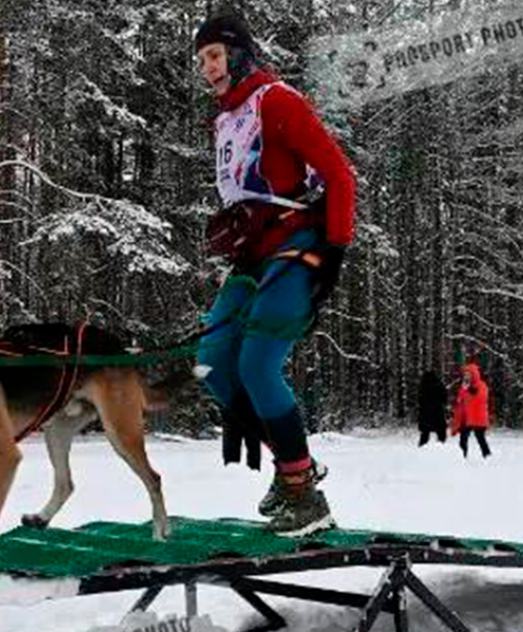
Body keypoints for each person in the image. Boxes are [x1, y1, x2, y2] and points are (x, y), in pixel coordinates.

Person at [194, 13, 356, 536]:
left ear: (239, 53)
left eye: (214, 55)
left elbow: (337, 174)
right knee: (214, 365)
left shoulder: (277, 100)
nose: (207, 69)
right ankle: (293, 468)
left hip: (298, 244)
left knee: (259, 364)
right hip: (253, 255)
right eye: (200, 61)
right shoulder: (224, 118)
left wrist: (334, 250)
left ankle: (303, 493)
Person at [452, 363, 492, 458]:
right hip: (466, 418)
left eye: (469, 374)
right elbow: (460, 400)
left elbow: (482, 398)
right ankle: (462, 457)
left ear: (474, 374)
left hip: (477, 418)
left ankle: (487, 457)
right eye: (465, 374)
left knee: (480, 439)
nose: (467, 376)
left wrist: (470, 390)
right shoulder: (463, 386)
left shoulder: (481, 385)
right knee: (463, 439)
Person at [417, 370, 448, 446]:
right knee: (441, 432)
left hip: (425, 413)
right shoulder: (439, 385)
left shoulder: (423, 386)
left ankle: (421, 447)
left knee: (425, 433)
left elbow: (419, 400)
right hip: (437, 412)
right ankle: (442, 446)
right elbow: (444, 398)